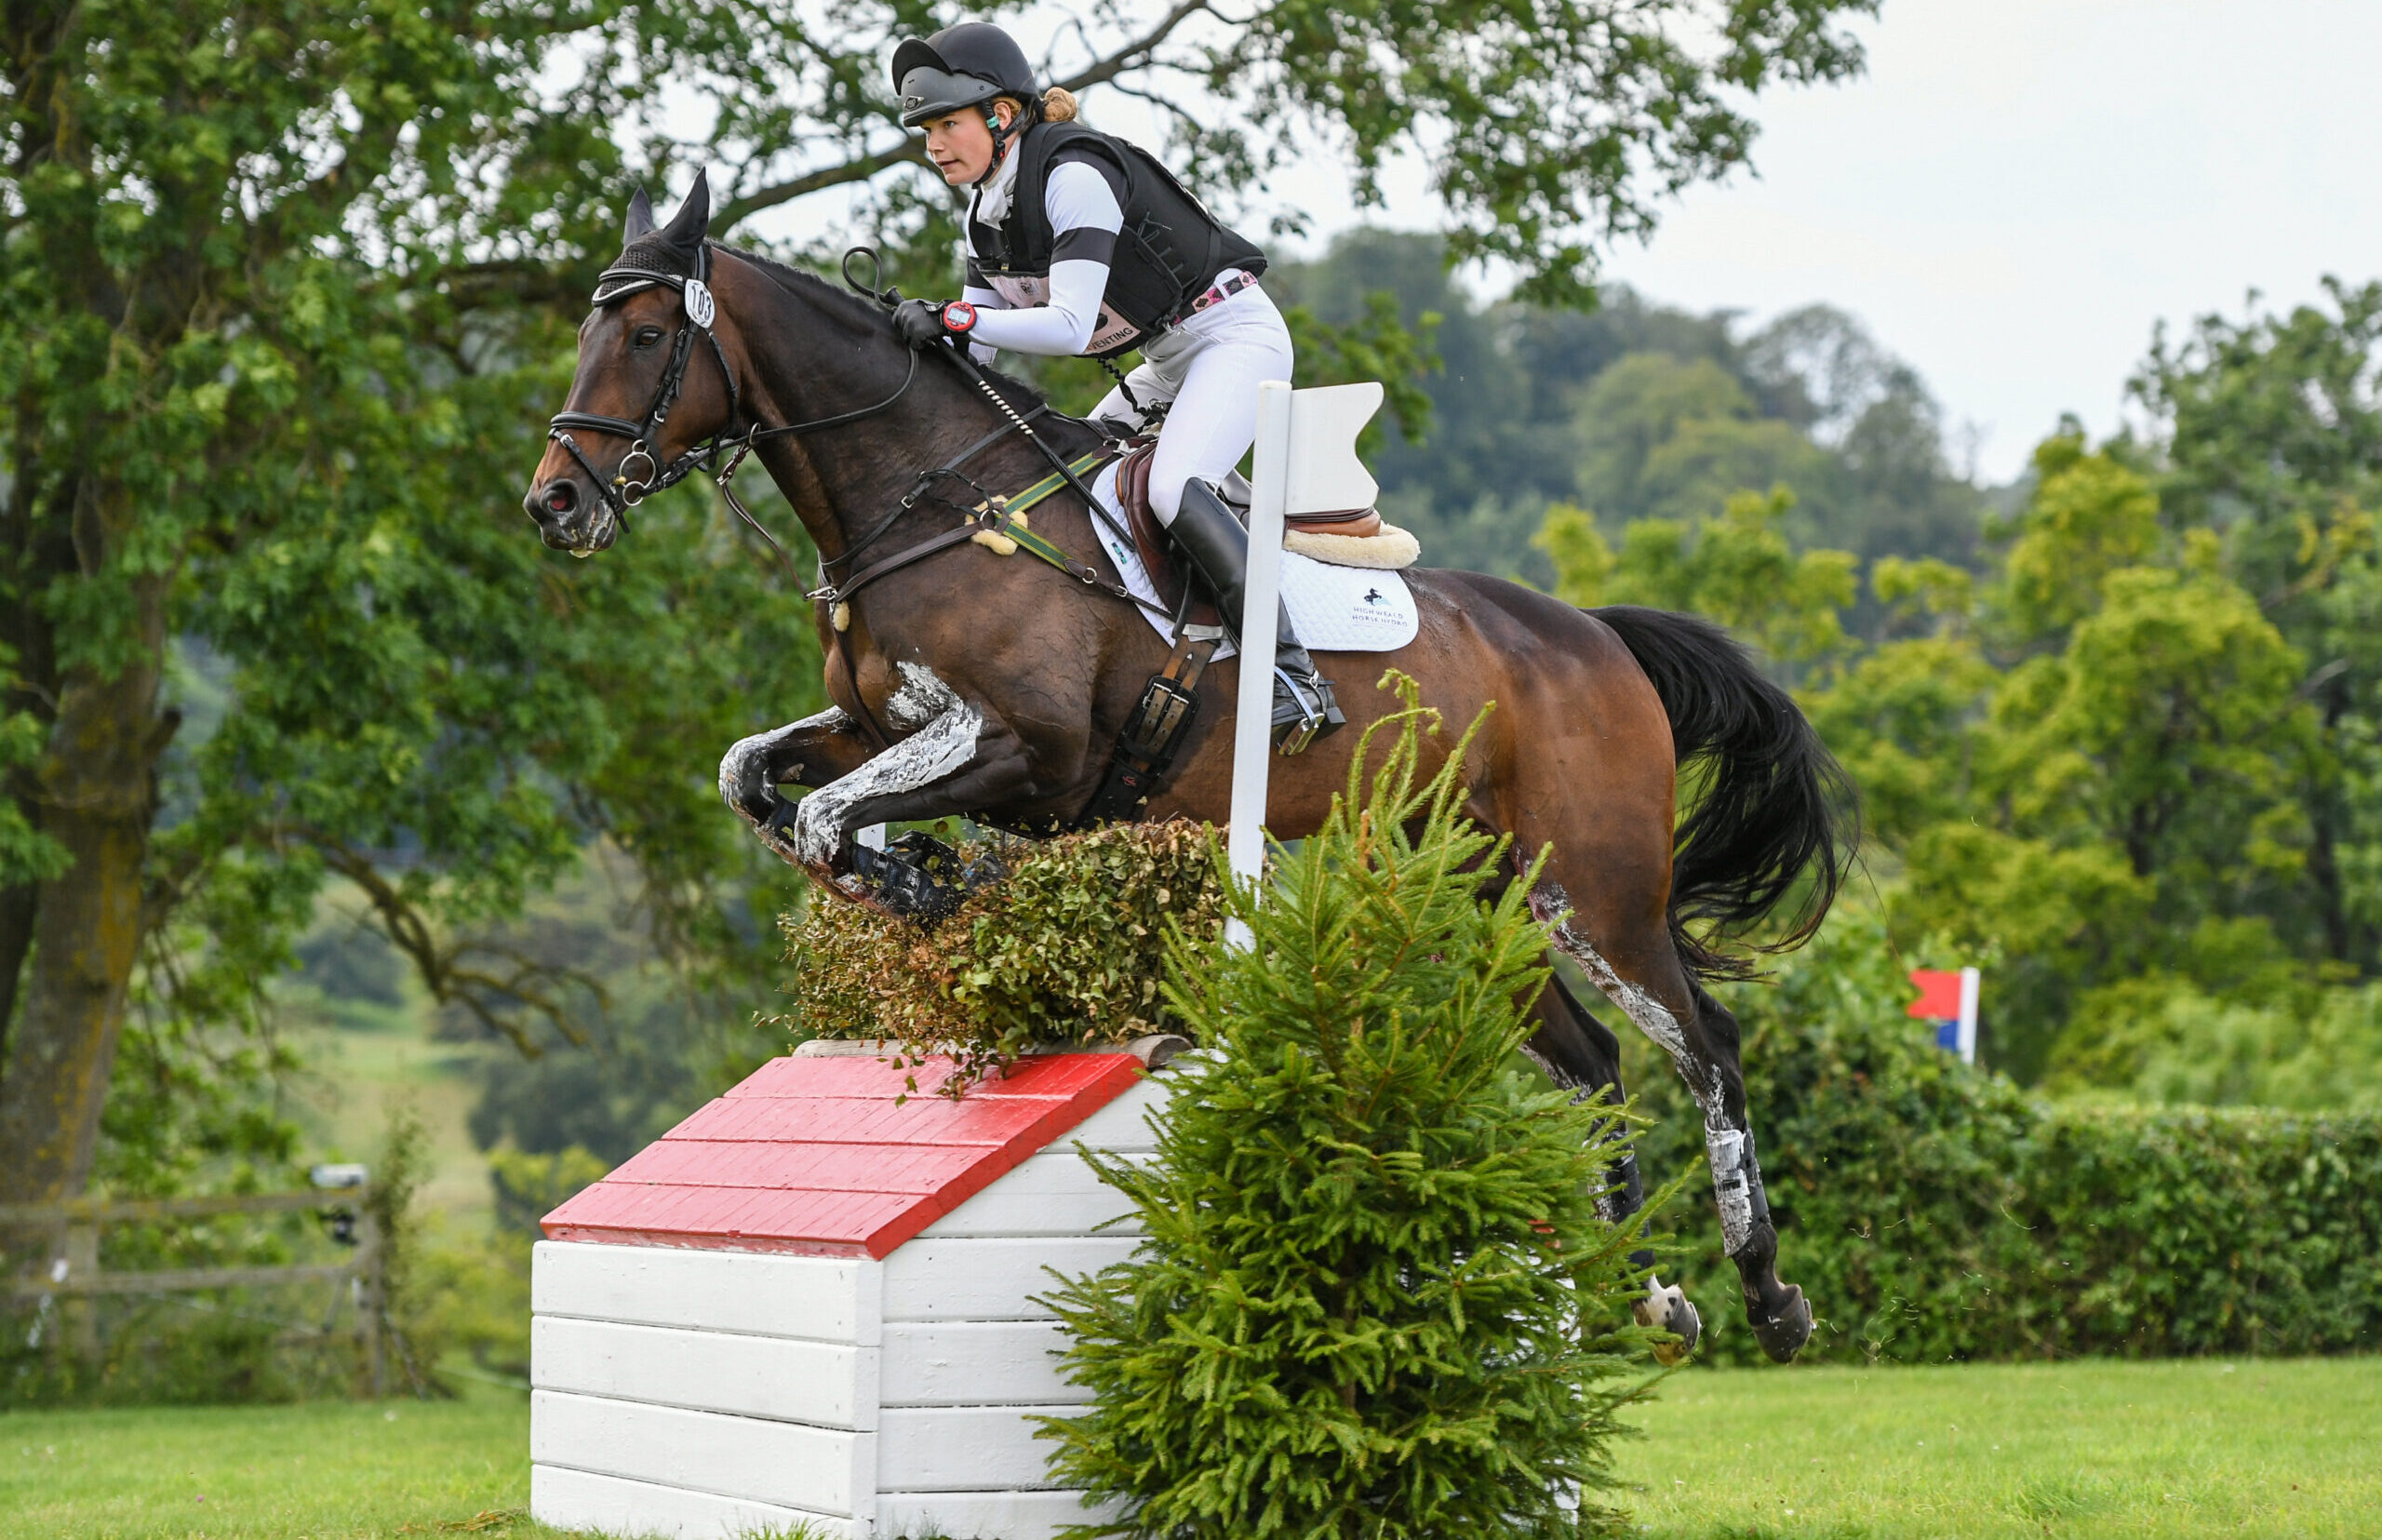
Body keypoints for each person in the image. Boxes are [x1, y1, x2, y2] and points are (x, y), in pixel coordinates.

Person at [886, 21, 1343, 752]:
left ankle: (1293, 675)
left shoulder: (1071, 175)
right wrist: (908, 350)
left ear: (1001, 116)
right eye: (925, 130)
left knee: (1169, 487)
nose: (933, 144)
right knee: (1067, 481)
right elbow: (982, 353)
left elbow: (1066, 327)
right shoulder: (985, 215)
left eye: (946, 124)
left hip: (1231, 337)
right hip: (1166, 361)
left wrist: (954, 315)